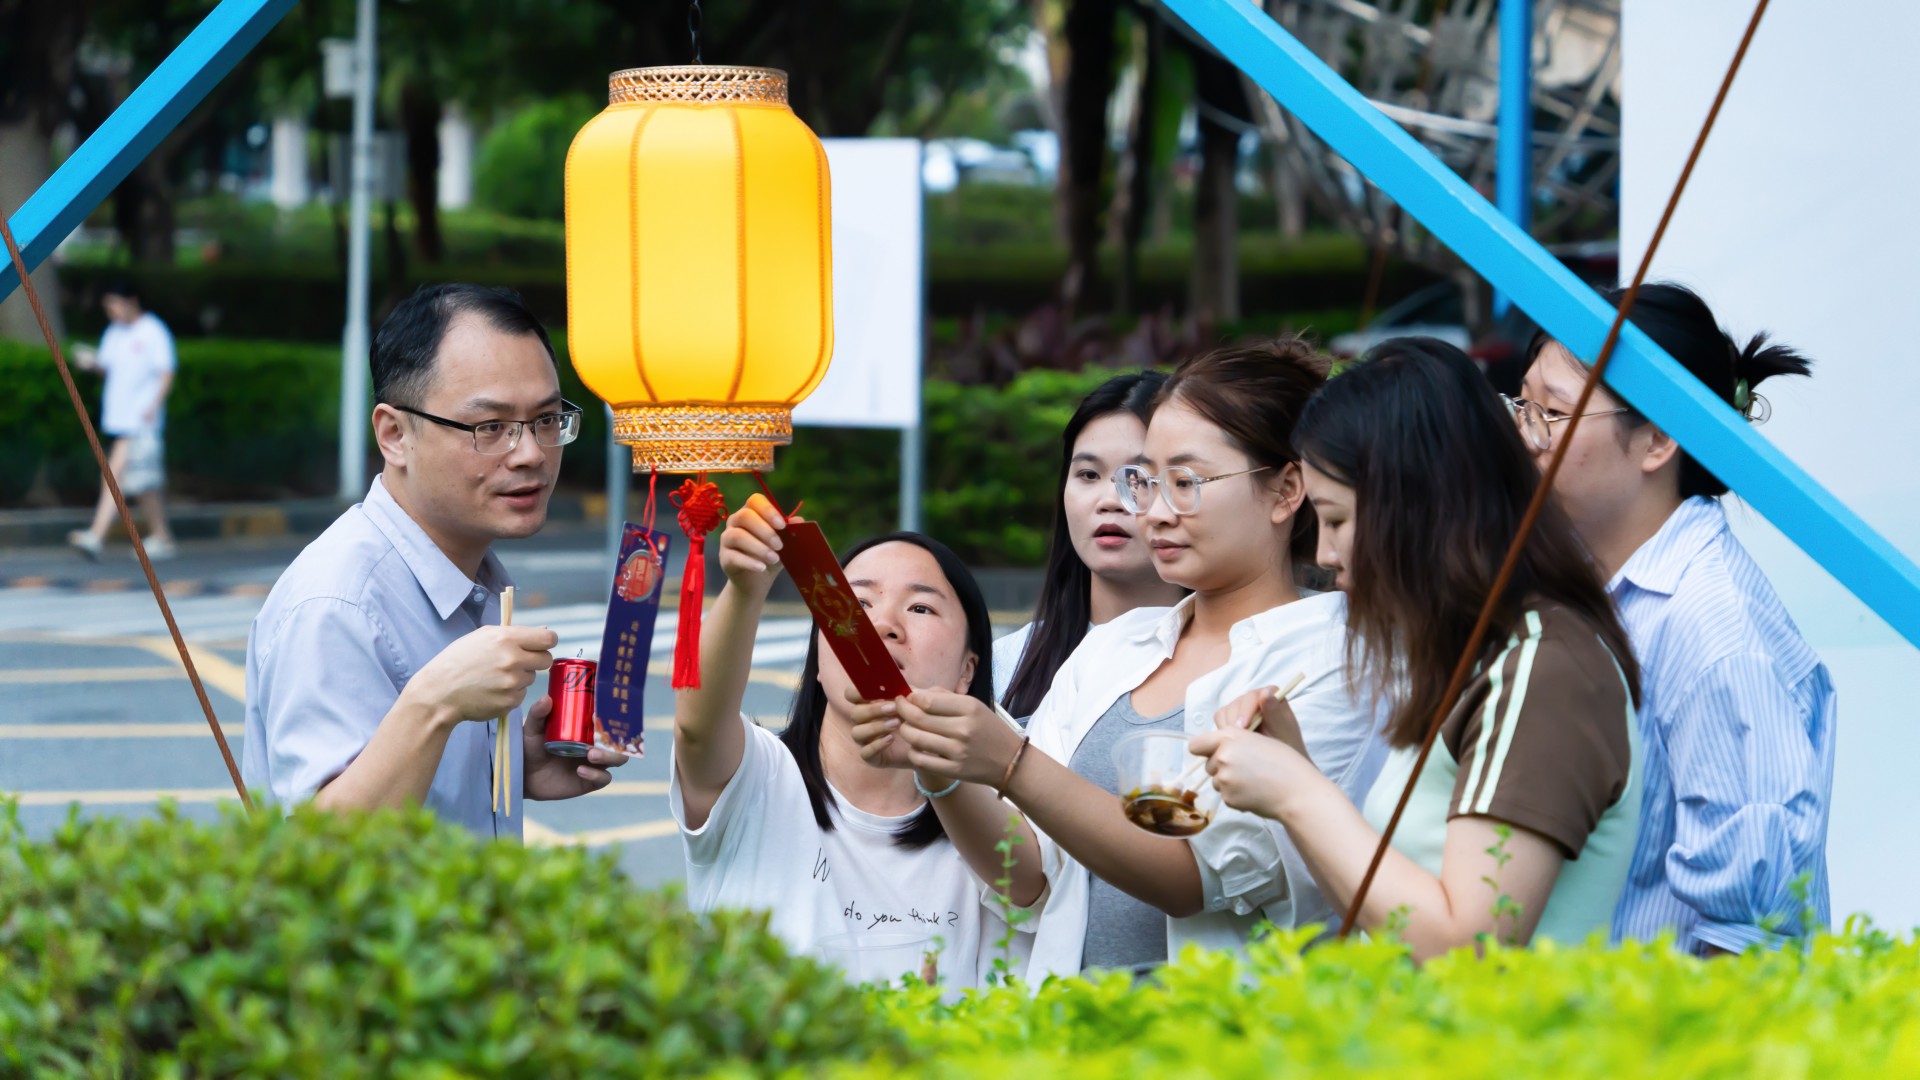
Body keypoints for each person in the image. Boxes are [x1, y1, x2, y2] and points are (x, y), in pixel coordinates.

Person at [852, 338, 1387, 981]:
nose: (1152, 512)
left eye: (1185, 483)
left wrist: (1011, 763)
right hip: (1072, 1021)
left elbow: (1195, 879)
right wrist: (941, 767)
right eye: (1147, 483)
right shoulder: (1115, 646)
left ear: (1286, 490)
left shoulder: (1337, 656)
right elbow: (1028, 881)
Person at [1192, 337, 1641, 962]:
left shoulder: (1543, 669)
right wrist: (1294, 769)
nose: (1324, 554)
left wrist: (1297, 793)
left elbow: (1470, 951)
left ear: (1419, 507)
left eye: (1337, 519)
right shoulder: (1479, 656)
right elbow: (1383, 916)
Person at [1516, 283, 1835, 954]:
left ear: (1657, 440)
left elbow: (1750, 939)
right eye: (1522, 404)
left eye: (1553, 412)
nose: (1526, 435)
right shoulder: (1582, 580)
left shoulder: (1716, 627)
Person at [243, 284, 630, 835]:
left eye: (547, 420)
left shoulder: (469, 574)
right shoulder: (337, 605)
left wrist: (509, 766)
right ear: (394, 434)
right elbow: (318, 849)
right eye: (490, 427)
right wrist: (434, 703)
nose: (530, 453)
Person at [671, 502, 998, 988]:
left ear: (967, 671)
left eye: (920, 607)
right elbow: (697, 729)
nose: (883, 625)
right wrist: (744, 589)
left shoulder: (995, 820)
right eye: (859, 604)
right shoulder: (755, 780)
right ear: (819, 657)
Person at [996, 371, 1186, 717]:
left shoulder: (1227, 660)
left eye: (1137, 478)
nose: (1109, 500)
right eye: (1088, 475)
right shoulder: (1005, 664)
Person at [68, 280, 177, 561]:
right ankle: (162, 535)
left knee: (114, 475)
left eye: (115, 305)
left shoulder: (153, 331)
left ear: (131, 302)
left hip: (140, 421)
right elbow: (107, 366)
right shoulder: (114, 332)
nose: (112, 311)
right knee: (144, 484)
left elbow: (166, 372)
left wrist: (153, 406)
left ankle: (97, 534)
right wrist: (91, 362)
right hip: (120, 419)